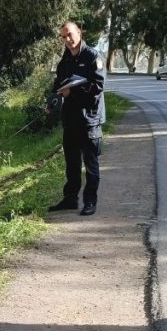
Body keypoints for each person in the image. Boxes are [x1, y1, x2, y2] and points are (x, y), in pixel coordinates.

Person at [47, 21, 106, 216]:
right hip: (70, 120)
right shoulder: (64, 61)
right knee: (71, 164)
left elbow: (97, 88)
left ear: (79, 32)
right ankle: (70, 199)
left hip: (89, 120)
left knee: (90, 164)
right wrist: (51, 104)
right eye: (63, 36)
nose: (67, 39)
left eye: (70, 34)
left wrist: (72, 93)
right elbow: (57, 88)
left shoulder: (93, 57)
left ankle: (90, 202)